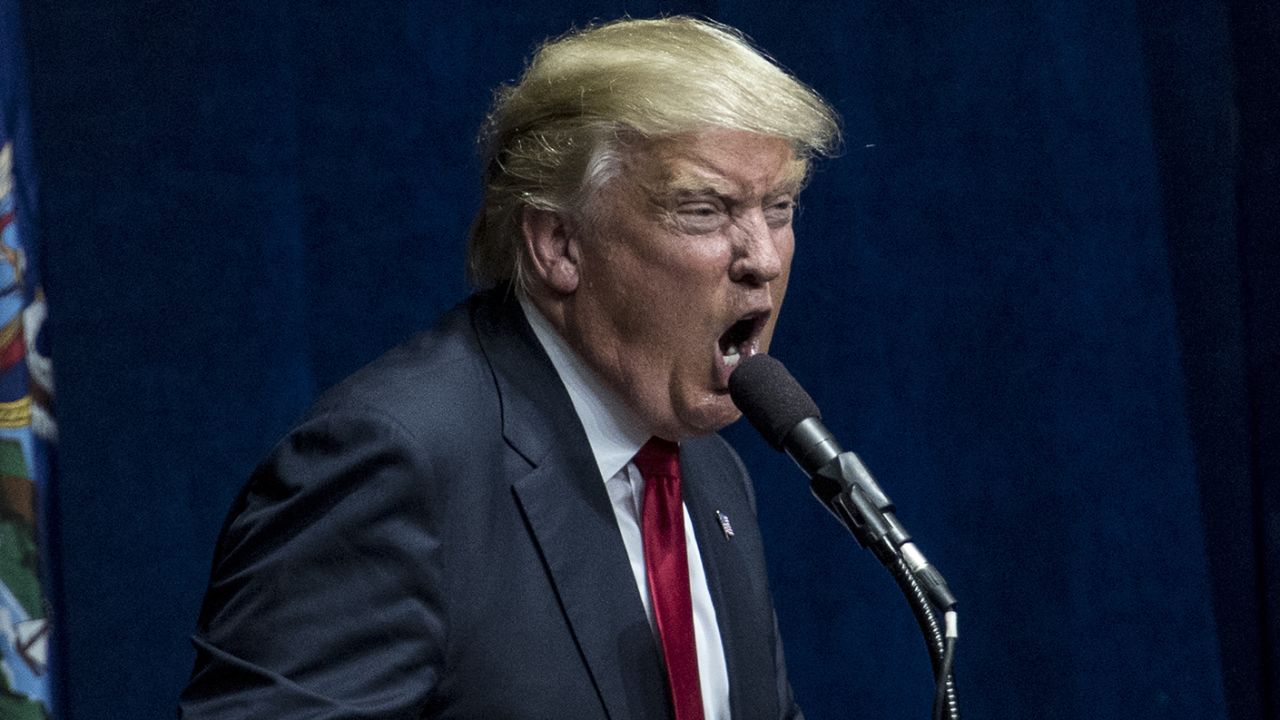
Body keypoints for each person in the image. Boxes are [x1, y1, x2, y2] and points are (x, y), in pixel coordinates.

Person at [179, 16, 838, 720]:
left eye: (779, 208)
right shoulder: (394, 466)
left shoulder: (710, 476)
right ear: (559, 244)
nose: (763, 259)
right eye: (704, 209)